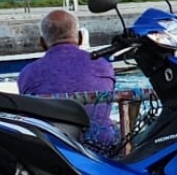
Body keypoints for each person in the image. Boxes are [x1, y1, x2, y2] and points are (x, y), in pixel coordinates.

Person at [17, 8, 117, 148]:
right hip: (100, 145)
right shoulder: (103, 66)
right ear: (81, 38)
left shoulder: (29, 73)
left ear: (42, 43)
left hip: (53, 148)